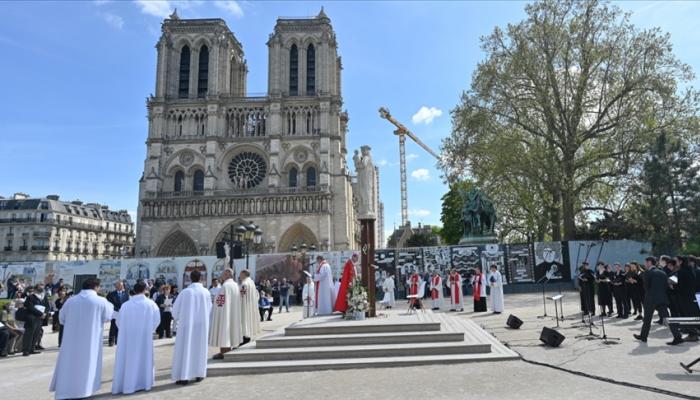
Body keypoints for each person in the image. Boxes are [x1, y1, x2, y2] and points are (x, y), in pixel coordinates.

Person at [50, 278, 113, 400]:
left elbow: (61, 319)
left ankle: (66, 390)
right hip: (90, 339)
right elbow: (107, 317)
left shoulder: (70, 301)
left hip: (71, 340)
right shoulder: (101, 301)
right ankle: (85, 389)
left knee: (69, 364)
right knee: (87, 363)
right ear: (96, 286)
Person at [111, 281, 160, 395]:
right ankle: (144, 383)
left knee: (128, 360)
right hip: (144, 338)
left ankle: (127, 384)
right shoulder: (151, 304)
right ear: (145, 290)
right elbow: (157, 321)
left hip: (128, 339)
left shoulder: (126, 305)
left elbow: (119, 322)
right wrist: (148, 330)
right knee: (144, 359)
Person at [171, 270, 211, 385]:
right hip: (201, 326)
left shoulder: (185, 292)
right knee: (199, 349)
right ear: (201, 278)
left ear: (190, 278)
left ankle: (184, 376)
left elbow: (175, 311)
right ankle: (199, 374)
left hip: (186, 326)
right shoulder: (206, 292)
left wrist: (180, 317)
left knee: (185, 349)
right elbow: (209, 310)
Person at [634, 257, 684, 346]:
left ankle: (643, 337)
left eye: (646, 262)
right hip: (662, 298)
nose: (645, 264)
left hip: (650, 299)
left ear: (649, 262)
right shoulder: (662, 272)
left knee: (647, 319)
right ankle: (678, 337)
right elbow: (666, 286)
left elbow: (646, 287)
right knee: (668, 319)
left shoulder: (647, 272)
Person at [209, 268, 242, 359]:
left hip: (224, 313)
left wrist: (216, 311)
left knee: (224, 331)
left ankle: (224, 352)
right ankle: (228, 349)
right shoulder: (235, 285)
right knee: (229, 331)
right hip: (232, 312)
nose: (221, 276)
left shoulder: (225, 286)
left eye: (223, 274)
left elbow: (220, 302)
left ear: (227, 274)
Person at [22, 285, 45, 356]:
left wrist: (45, 313)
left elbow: (47, 306)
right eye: (39, 287)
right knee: (29, 335)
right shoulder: (30, 297)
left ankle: (32, 349)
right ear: (36, 289)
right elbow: (29, 307)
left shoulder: (43, 297)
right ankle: (26, 350)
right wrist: (40, 313)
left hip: (39, 318)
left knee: (36, 334)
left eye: (42, 287)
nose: (41, 289)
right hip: (31, 318)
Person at [239, 270, 260, 345]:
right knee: (248, 320)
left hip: (244, 305)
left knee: (244, 321)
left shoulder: (244, 284)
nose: (239, 276)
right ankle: (247, 336)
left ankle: (245, 337)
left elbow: (241, 296)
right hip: (250, 305)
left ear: (244, 274)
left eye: (240, 274)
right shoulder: (252, 283)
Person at [106, 281, 129, 347]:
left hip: (123, 313)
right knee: (113, 326)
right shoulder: (111, 294)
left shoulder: (126, 294)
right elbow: (110, 303)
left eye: (122, 285)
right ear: (116, 286)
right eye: (120, 285)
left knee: (120, 326)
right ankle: (111, 341)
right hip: (115, 313)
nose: (122, 287)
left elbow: (127, 302)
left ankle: (117, 340)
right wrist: (117, 309)